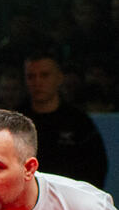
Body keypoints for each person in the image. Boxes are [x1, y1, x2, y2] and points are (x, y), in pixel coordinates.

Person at [21, 52, 109, 187]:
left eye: (45, 75)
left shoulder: (79, 122)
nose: (37, 82)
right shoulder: (15, 122)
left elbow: (96, 168)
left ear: (59, 78)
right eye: (31, 76)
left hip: (70, 197)